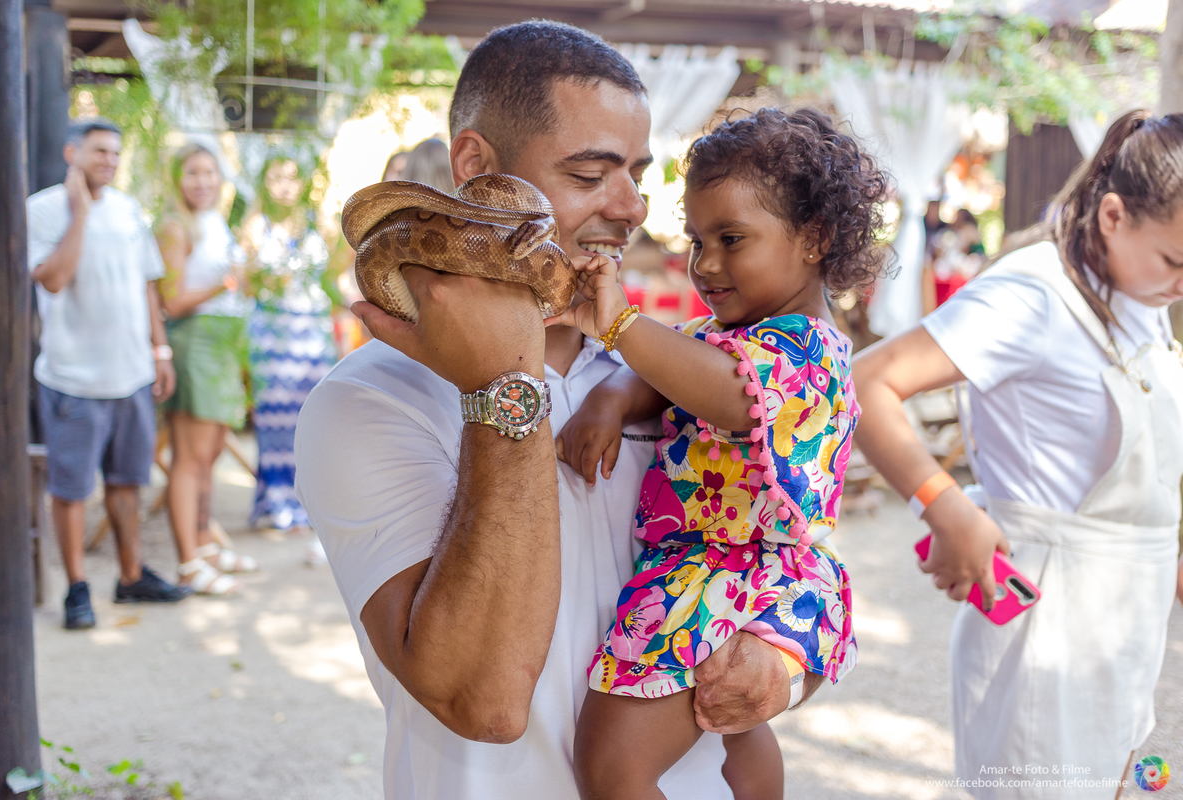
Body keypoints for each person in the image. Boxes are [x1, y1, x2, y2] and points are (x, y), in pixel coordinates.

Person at [295, 21, 805, 800]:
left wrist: (786, 670)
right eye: (590, 172)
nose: (631, 206)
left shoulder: (673, 368)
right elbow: (487, 700)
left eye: (637, 171)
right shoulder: (367, 399)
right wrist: (506, 382)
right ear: (477, 168)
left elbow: (798, 552)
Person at [556, 108, 889, 800]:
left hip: (726, 575)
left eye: (731, 238)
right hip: (729, 572)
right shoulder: (733, 332)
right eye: (697, 239)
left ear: (815, 237)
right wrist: (613, 399)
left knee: (610, 765)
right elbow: (673, 365)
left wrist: (619, 324)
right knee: (734, 731)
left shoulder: (808, 351)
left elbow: (727, 392)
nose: (705, 264)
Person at [852, 110, 1183, 798]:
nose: (1182, 284)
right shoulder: (1032, 295)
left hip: (1127, 614)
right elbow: (867, 381)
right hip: (1049, 616)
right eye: (1175, 262)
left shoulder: (1140, 293)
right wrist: (944, 507)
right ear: (1115, 217)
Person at [27, 117, 189, 629]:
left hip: (132, 376)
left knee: (126, 482)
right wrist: (79, 213)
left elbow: (147, 285)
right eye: (100, 152)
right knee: (71, 488)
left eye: (116, 154)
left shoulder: (127, 210)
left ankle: (130, 575)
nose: (110, 162)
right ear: (71, 153)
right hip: (73, 379)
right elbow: (52, 280)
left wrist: (159, 353)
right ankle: (77, 588)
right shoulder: (44, 209)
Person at [156, 142, 258, 596]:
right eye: (191, 173)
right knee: (190, 458)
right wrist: (222, 286)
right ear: (178, 179)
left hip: (224, 345)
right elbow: (170, 301)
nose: (201, 182)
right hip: (194, 342)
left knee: (211, 455)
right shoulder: (176, 227)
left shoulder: (218, 223)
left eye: (209, 173)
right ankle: (188, 562)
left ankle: (206, 545)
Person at [244, 155, 336, 535]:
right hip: (271, 332)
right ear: (264, 181)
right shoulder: (254, 223)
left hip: (312, 331)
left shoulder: (321, 223)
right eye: (275, 177)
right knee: (274, 422)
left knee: (314, 419)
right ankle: (279, 502)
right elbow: (244, 280)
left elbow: (337, 271)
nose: (284, 185)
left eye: (291, 178)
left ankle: (313, 503)